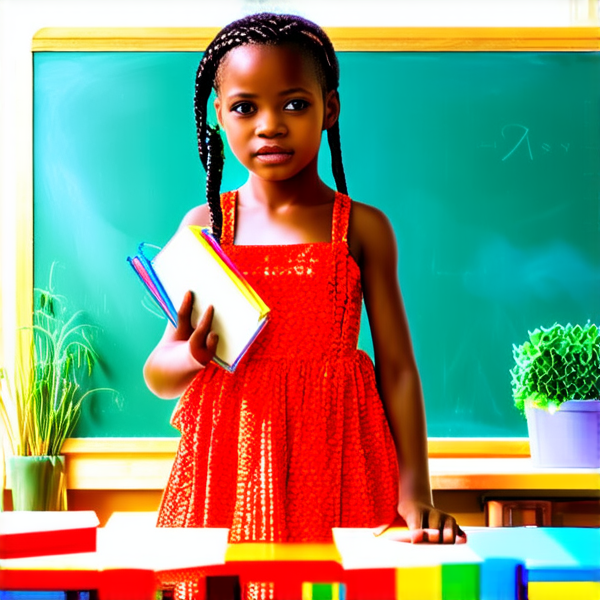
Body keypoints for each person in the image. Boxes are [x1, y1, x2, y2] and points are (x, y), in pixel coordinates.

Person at [144, 12, 466, 550]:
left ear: (329, 109)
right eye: (246, 107)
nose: (270, 124)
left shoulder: (363, 228)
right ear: (219, 115)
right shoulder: (206, 228)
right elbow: (160, 375)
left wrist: (416, 489)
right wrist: (192, 356)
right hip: (231, 459)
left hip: (338, 452)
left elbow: (398, 368)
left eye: (294, 103)